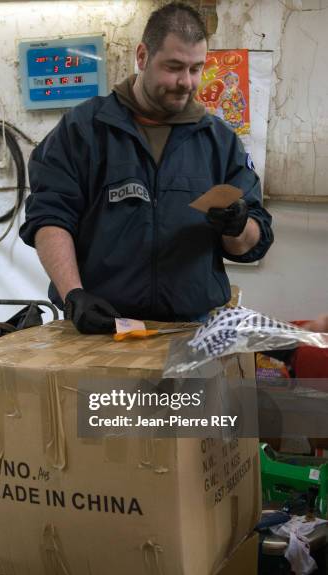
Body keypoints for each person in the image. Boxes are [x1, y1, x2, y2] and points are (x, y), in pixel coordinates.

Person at [20, 2, 274, 334]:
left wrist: (238, 225)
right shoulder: (83, 131)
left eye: (196, 68)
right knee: (103, 391)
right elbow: (50, 217)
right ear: (142, 57)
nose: (186, 82)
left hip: (189, 328)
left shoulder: (220, 142)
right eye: (174, 67)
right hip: (100, 327)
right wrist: (74, 294)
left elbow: (250, 241)